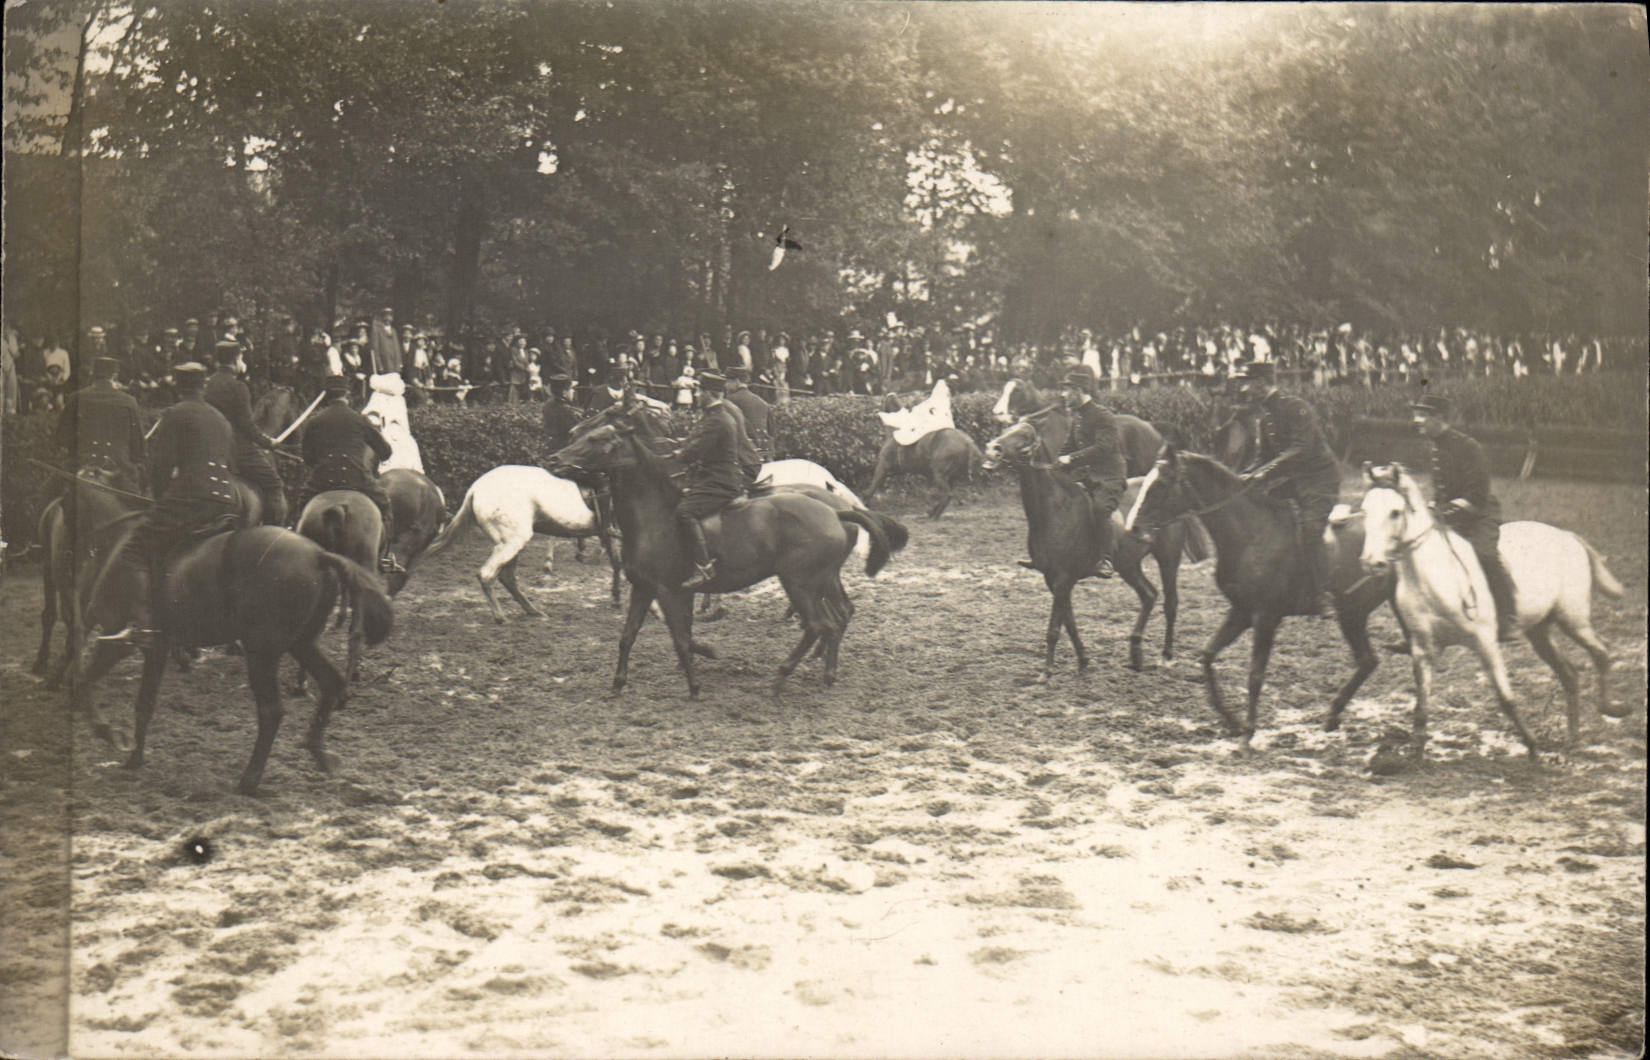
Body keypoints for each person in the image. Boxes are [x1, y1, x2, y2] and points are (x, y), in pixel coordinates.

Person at [96, 363, 239, 647]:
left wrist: (159, 498)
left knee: (134, 548)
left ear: (178, 384)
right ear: (203, 386)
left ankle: (144, 626)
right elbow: (232, 463)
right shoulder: (221, 417)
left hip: (191, 499)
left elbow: (161, 467)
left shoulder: (174, 414)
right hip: (227, 499)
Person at [1231, 359, 1340, 615]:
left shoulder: (1295, 407)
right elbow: (1263, 457)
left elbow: (1301, 448)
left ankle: (1321, 594)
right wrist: (1245, 476)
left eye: (1247, 383)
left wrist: (1264, 473)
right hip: (1292, 481)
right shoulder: (1264, 417)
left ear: (1261, 383)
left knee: (1311, 530)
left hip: (1318, 480)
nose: (1244, 390)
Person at [1411, 393, 1519, 642]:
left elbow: (1476, 494)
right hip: (1452, 515)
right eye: (1416, 414)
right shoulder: (1435, 446)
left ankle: (1508, 618)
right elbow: (1442, 488)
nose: (1416, 420)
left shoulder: (1468, 446)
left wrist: (1444, 512)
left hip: (1479, 514)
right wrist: (1430, 507)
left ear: (1438, 418)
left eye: (1422, 415)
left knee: (1485, 555)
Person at [299, 375, 402, 574]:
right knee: (384, 504)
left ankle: (297, 550)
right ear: (348, 394)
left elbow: (307, 457)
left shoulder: (315, 421)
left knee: (300, 507)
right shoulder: (359, 419)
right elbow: (386, 451)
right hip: (357, 479)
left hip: (322, 480)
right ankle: (384, 556)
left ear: (327, 396)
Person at [672, 371, 750, 590]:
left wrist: (679, 454)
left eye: (699, 391)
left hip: (720, 481)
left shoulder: (717, 419)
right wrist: (680, 445)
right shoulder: (713, 415)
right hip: (715, 477)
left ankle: (705, 568)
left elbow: (695, 450)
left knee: (684, 512)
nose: (696, 395)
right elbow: (695, 441)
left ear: (709, 393)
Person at [1046, 368, 1126, 579]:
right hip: (1086, 476)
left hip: (1109, 476)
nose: (1063, 395)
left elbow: (1104, 448)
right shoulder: (1078, 418)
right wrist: (1051, 468)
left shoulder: (1102, 416)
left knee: (1100, 508)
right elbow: (1067, 448)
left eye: (1067, 390)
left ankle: (1106, 559)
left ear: (1080, 391)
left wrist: (1071, 459)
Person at [205, 340, 288, 526]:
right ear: (236, 360)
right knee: (274, 484)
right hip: (238, 451)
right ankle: (272, 535)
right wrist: (269, 443)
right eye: (241, 357)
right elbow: (247, 427)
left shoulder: (207, 384)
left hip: (210, 448)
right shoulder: (238, 387)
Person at [53, 355, 146, 490]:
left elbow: (61, 439)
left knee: (46, 497)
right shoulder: (129, 402)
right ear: (114, 375)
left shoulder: (76, 398)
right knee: (140, 505)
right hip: (119, 470)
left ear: (93, 374)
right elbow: (139, 448)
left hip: (80, 466)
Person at [724, 364, 772, 459]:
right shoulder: (762, 402)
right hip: (763, 454)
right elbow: (772, 432)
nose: (725, 386)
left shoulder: (729, 401)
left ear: (736, 381)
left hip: (741, 457)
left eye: (728, 382)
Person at [540, 374, 583, 453]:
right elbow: (576, 431)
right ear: (564, 392)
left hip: (551, 446)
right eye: (571, 389)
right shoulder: (565, 410)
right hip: (564, 449)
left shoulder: (549, 404)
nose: (573, 391)